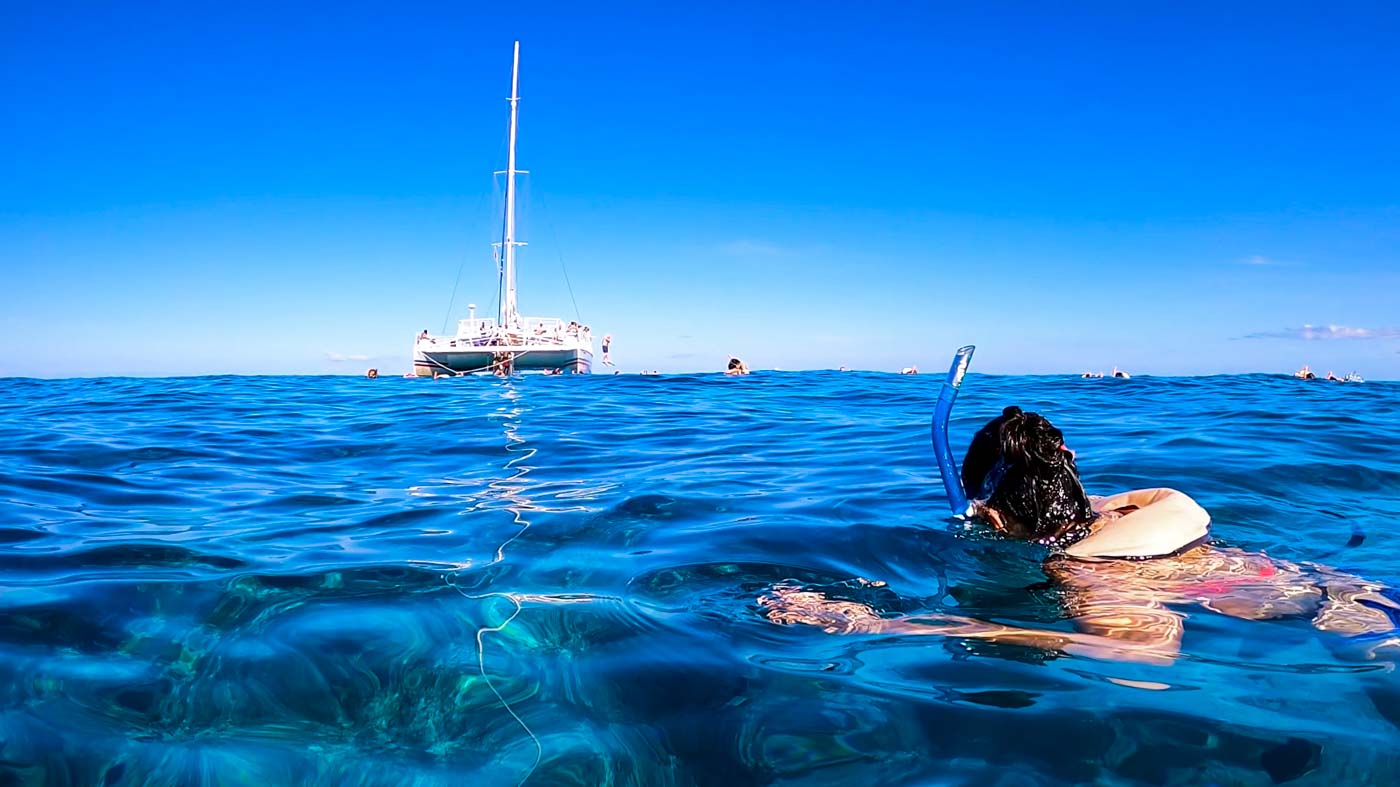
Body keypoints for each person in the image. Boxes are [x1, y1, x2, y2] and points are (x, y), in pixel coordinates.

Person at [763, 406, 1400, 663]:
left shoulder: (1087, 570)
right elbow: (1140, 500)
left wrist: (883, 626)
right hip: (1360, 593)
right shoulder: (1150, 511)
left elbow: (1144, 658)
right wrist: (1065, 498)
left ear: (988, 514)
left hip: (1357, 636)